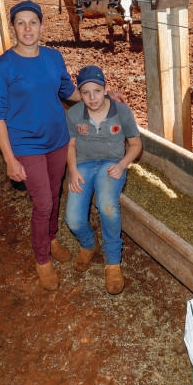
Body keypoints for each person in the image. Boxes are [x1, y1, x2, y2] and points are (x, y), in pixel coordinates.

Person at [0, 0, 79, 291]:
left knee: (54, 193)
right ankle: (42, 260)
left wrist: (102, 95)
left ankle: (50, 238)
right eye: (21, 23)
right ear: (12, 27)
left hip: (57, 139)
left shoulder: (53, 57)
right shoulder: (1, 68)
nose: (28, 28)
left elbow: (67, 90)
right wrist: (10, 160)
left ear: (41, 25)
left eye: (33, 22)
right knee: (43, 203)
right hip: (25, 145)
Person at [65, 65, 142, 295]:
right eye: (85, 92)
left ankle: (112, 261)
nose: (92, 97)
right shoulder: (74, 113)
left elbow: (136, 144)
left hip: (111, 164)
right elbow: (70, 145)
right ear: (79, 93)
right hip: (84, 164)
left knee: (107, 206)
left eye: (97, 91)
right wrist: (73, 170)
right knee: (73, 219)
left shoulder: (121, 112)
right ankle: (89, 244)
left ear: (106, 89)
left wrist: (122, 164)